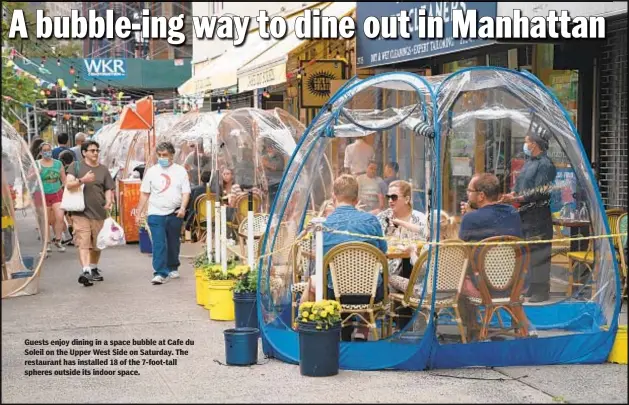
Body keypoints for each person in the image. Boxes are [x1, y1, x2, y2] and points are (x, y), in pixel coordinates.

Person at [301, 175, 387, 341]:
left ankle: (315, 333)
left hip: (334, 292)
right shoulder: (371, 221)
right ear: (357, 198)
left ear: (334, 196)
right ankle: (362, 329)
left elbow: (319, 260)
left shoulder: (322, 226)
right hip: (370, 293)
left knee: (318, 280)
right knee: (378, 277)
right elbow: (383, 253)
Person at [501, 131, 557, 303]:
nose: (525, 145)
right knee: (530, 252)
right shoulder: (528, 163)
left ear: (534, 144)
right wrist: (513, 194)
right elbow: (521, 186)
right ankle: (532, 287)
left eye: (527, 142)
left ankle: (542, 290)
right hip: (525, 213)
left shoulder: (545, 165)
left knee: (540, 252)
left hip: (538, 214)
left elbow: (539, 191)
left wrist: (517, 198)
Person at [135, 142, 191, 285]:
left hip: (174, 213)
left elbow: (186, 192)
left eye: (164, 155)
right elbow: (144, 193)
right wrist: (139, 211)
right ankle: (160, 272)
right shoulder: (152, 171)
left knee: (173, 242)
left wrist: (183, 208)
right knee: (159, 243)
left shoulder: (180, 171)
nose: (162, 158)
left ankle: (173, 266)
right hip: (155, 212)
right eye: (159, 155)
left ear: (172, 155)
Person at [65, 140, 115, 287]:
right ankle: (86, 270)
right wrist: (83, 180)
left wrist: (108, 201)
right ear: (84, 152)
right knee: (83, 241)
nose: (95, 153)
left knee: (96, 244)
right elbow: (69, 185)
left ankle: (93, 267)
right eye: (92, 150)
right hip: (79, 211)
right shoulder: (76, 166)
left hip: (99, 212)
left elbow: (108, 188)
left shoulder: (103, 170)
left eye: (97, 150)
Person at [377, 180, 427, 281]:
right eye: (388, 197)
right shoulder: (382, 218)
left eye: (394, 197)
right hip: (386, 270)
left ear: (407, 199)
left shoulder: (420, 219)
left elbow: (425, 246)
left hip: (415, 271)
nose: (390, 200)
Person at [34, 142, 67, 252]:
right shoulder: (37, 164)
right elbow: (28, 178)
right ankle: (47, 243)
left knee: (60, 217)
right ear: (41, 152)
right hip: (42, 195)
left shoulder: (58, 163)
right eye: (45, 150)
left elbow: (64, 178)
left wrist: (68, 189)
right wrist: (36, 173)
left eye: (49, 150)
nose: (48, 152)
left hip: (57, 193)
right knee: (46, 220)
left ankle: (58, 240)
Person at [260, 140, 285, 206]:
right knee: (267, 203)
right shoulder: (265, 157)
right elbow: (260, 169)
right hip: (266, 183)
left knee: (275, 201)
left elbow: (275, 167)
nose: (269, 149)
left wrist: (265, 163)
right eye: (268, 147)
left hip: (276, 183)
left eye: (271, 147)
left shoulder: (279, 157)